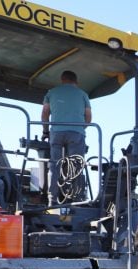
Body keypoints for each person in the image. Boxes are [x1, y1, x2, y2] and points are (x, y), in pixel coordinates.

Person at [41, 70, 91, 206]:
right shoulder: (83, 94)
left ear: (62, 80)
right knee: (76, 165)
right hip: (76, 133)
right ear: (76, 81)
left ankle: (52, 199)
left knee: (54, 166)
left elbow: (45, 113)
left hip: (56, 132)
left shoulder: (51, 92)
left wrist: (46, 132)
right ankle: (76, 198)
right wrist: (80, 129)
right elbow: (88, 117)